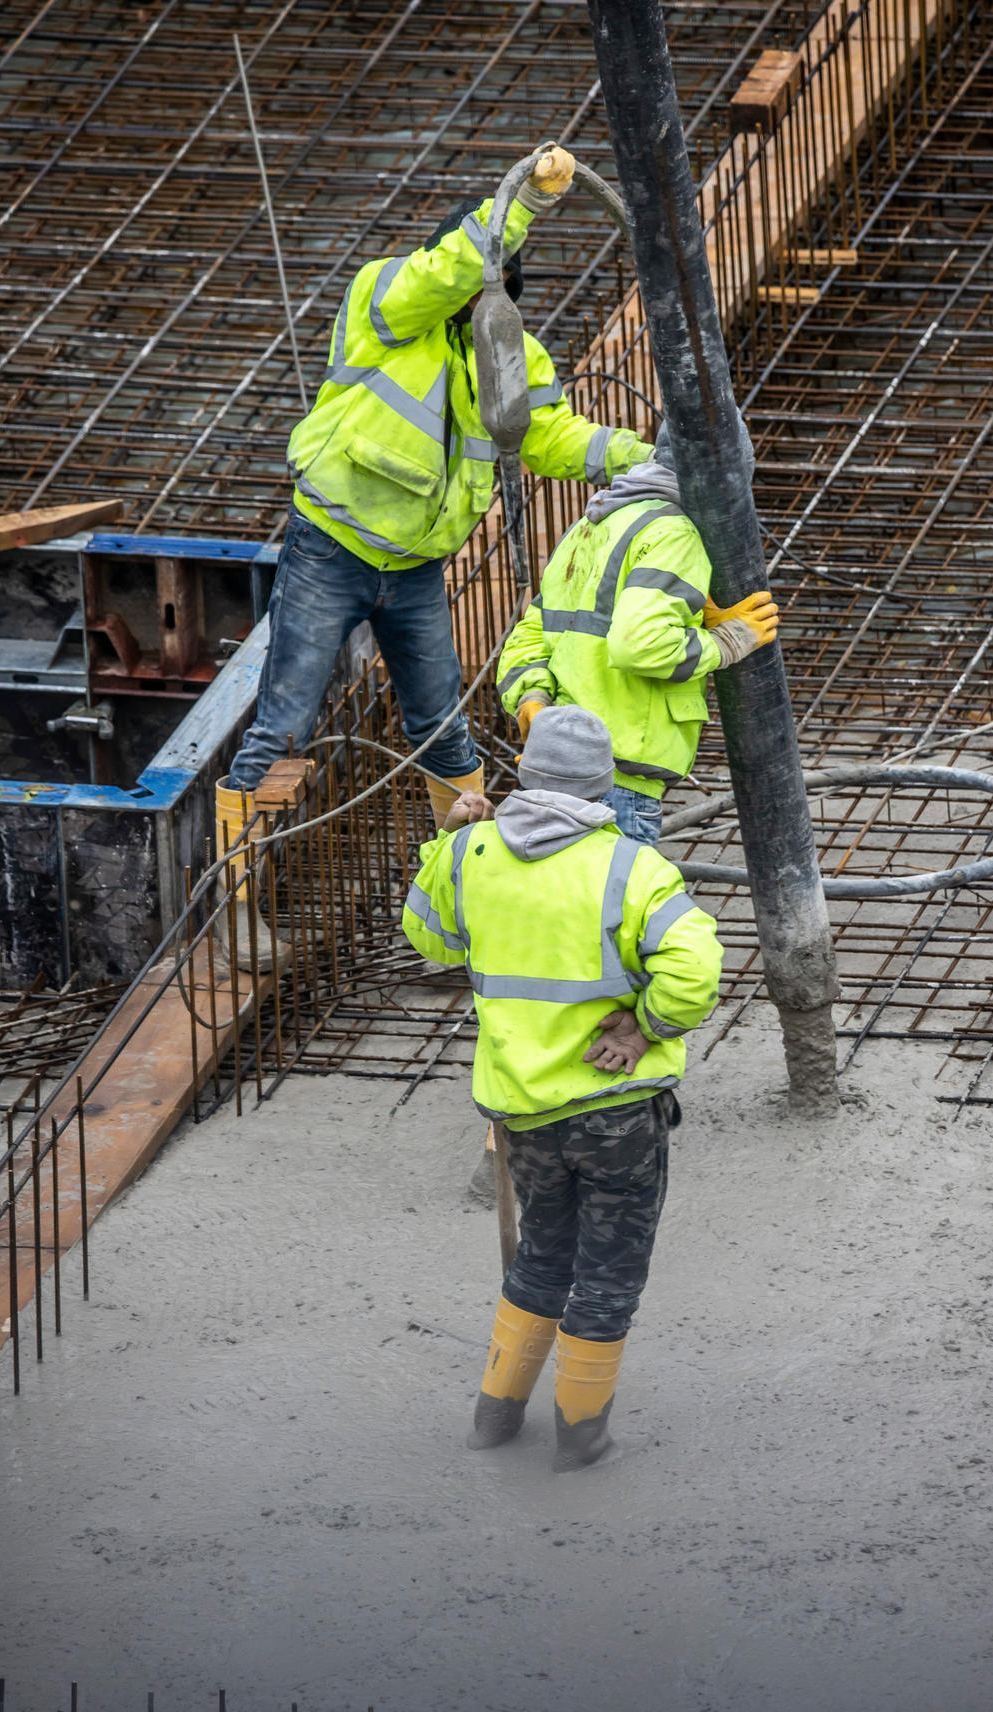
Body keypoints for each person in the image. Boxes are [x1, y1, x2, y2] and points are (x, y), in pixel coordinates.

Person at [213, 144, 648, 962]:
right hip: (329, 550)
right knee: (284, 725)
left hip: (413, 571)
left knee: (443, 728)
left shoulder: (501, 344)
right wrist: (527, 205)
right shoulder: (386, 299)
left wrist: (637, 455)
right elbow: (445, 273)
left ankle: (468, 894)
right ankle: (235, 902)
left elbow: (547, 434)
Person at [402, 706, 721, 1471]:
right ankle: (581, 1440)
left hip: (523, 1113)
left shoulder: (472, 852)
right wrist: (642, 1028)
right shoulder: (631, 866)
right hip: (615, 1114)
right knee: (608, 1272)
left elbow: (429, 938)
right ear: (604, 788)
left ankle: (495, 1420)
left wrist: (448, 843)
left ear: (527, 775)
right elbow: (697, 972)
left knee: (543, 1255)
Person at [494, 426, 779, 847]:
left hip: (557, 765)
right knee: (614, 907)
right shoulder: (674, 533)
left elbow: (533, 631)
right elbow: (641, 644)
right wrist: (725, 642)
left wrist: (532, 698)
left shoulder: (592, 525)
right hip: (619, 780)